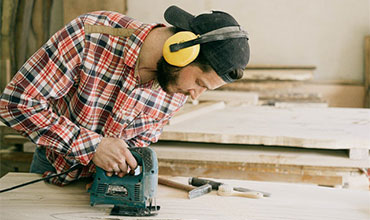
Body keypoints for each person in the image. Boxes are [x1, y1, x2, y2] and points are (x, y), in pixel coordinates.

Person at [0, 5, 250, 186]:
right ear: (180, 51)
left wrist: (120, 171)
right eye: (199, 83)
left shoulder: (175, 85)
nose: (195, 96)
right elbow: (15, 103)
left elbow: (139, 142)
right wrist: (92, 147)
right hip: (51, 171)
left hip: (104, 185)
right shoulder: (90, 36)